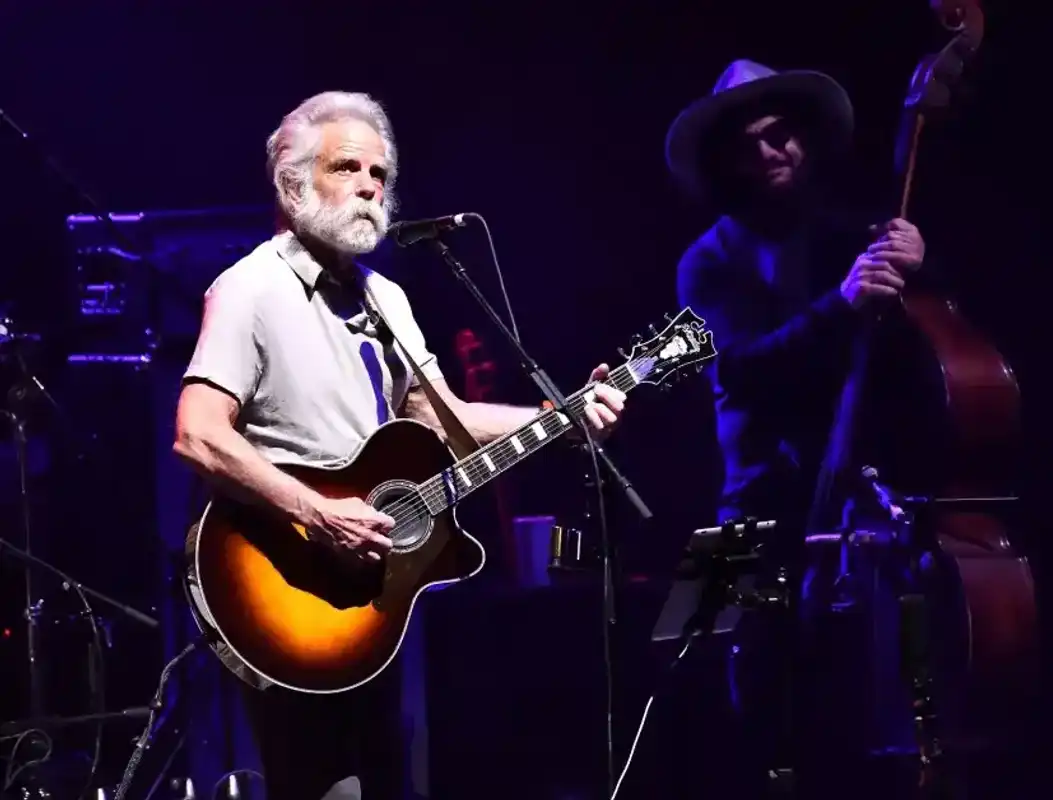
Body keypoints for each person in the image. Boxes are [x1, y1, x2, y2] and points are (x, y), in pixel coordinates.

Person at [173, 91, 626, 800]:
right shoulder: (249, 290)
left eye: (380, 174)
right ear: (293, 185)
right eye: (347, 168)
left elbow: (446, 421)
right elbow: (197, 434)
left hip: (377, 594)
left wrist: (561, 416)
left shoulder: (387, 298)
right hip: (284, 582)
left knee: (392, 783)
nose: (370, 188)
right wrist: (318, 513)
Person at [665, 60, 927, 793]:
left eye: (780, 136)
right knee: (709, 685)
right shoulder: (705, 262)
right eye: (747, 145)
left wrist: (921, 265)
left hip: (859, 509)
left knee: (868, 713)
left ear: (806, 140)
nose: (768, 154)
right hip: (750, 503)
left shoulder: (852, 234)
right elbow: (745, 369)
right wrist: (843, 304)